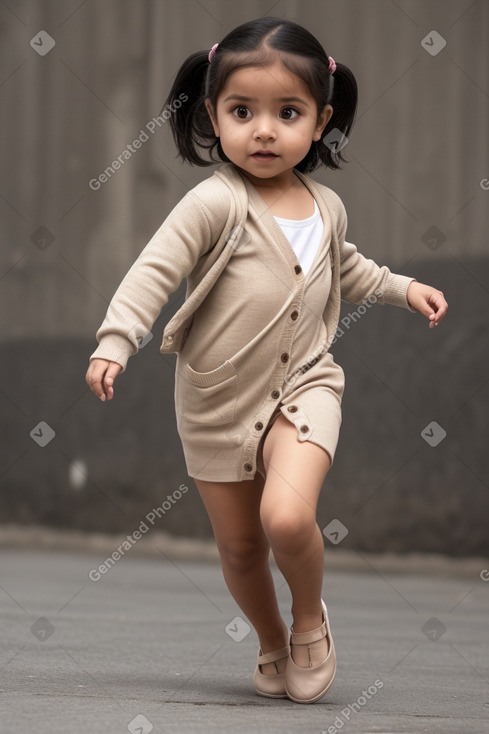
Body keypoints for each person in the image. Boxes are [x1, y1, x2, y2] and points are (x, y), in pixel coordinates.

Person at [85, 17, 448, 704]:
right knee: (242, 550)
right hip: (216, 401)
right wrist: (116, 339)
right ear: (212, 116)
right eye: (240, 111)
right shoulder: (213, 202)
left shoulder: (326, 206)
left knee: (285, 519)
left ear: (320, 122)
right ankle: (271, 639)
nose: (262, 130)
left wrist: (402, 288)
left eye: (287, 113)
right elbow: (152, 272)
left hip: (304, 386)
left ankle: (309, 620)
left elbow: (347, 269)